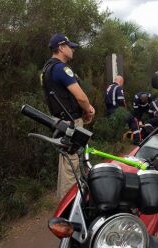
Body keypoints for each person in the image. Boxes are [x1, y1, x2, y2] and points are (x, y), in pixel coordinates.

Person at [41, 33, 95, 200]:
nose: (72, 50)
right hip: (71, 123)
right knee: (72, 164)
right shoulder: (61, 68)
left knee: (66, 163)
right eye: (70, 47)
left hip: (60, 121)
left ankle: (66, 201)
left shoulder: (47, 68)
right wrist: (89, 110)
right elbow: (80, 97)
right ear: (61, 48)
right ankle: (71, 207)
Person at [105, 75, 141, 144]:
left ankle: (114, 142)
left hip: (109, 111)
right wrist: (124, 109)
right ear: (121, 81)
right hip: (117, 111)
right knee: (134, 120)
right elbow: (121, 100)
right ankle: (138, 140)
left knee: (116, 126)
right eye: (122, 82)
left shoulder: (109, 87)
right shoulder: (118, 88)